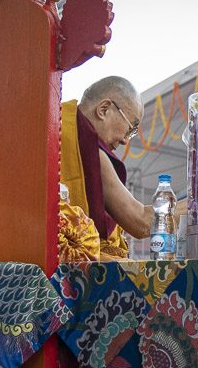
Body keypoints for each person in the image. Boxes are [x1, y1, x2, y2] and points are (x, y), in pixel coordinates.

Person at [60, 77, 151, 249]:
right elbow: (140, 222)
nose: (125, 140)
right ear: (104, 109)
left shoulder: (62, 127)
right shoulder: (87, 146)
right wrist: (197, 205)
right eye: (130, 128)